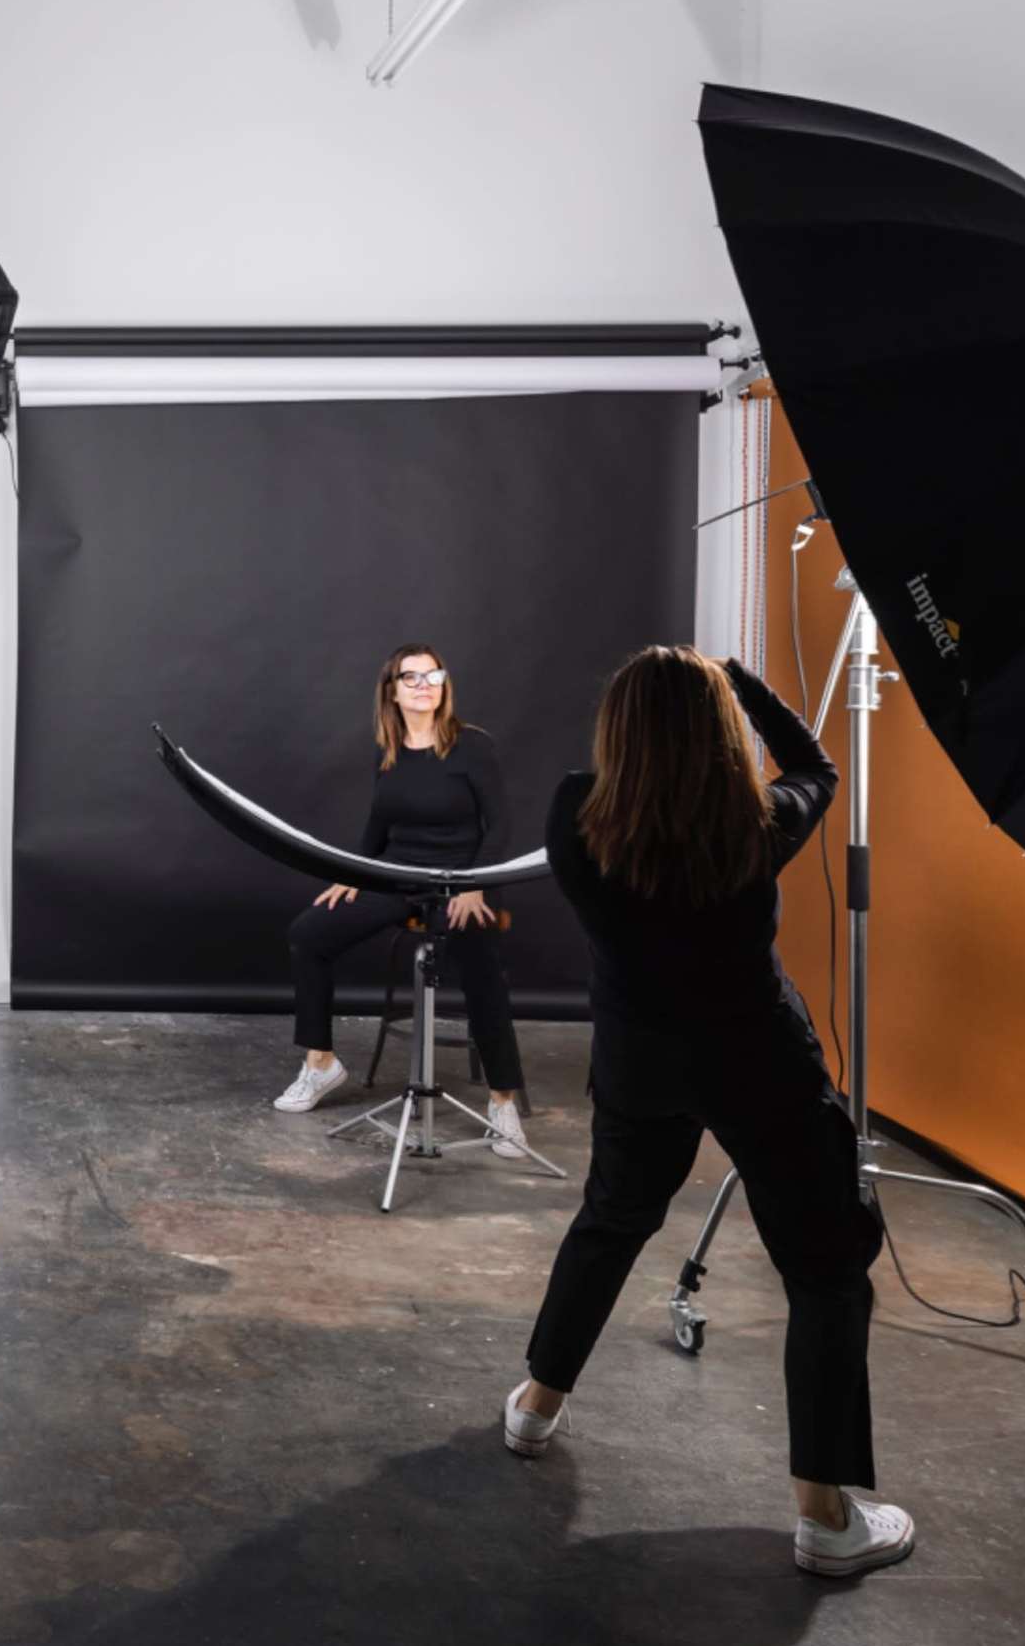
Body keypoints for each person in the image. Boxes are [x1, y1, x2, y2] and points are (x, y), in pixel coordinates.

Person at [504, 647, 912, 1579]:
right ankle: (826, 1518)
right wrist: (742, 682)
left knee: (611, 1223)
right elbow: (816, 766)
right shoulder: (757, 822)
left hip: (639, 1065)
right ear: (721, 731)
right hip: (758, 1066)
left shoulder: (576, 815)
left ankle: (534, 1407)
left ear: (617, 731)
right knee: (826, 1270)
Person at [271, 644, 538, 1162]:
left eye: (433, 675)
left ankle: (503, 1103)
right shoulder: (388, 750)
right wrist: (352, 873)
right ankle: (321, 1063)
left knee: (482, 972)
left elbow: (500, 824)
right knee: (308, 934)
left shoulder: (472, 746)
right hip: (397, 875)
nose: (424, 685)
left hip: (461, 879)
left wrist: (474, 885)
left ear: (444, 685)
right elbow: (378, 824)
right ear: (391, 691)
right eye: (411, 677)